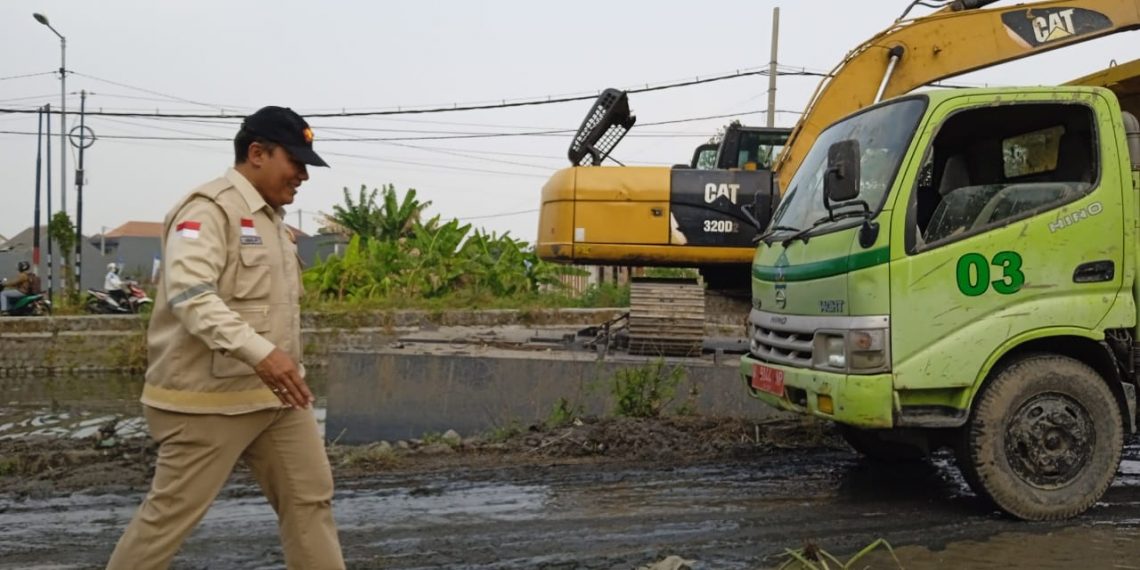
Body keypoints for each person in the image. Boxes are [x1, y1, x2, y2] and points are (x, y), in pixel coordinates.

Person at [106, 106, 344, 570]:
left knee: (310, 501)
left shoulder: (275, 222)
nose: (302, 176)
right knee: (168, 520)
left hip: (276, 396)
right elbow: (192, 296)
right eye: (294, 162)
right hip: (206, 401)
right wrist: (263, 354)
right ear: (257, 153)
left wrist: (274, 364)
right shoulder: (208, 211)